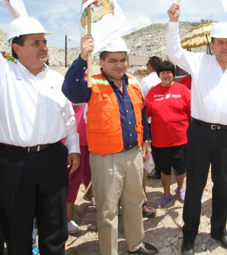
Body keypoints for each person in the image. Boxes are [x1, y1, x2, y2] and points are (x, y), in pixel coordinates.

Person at [0, 0, 80, 255]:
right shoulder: (2, 73)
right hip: (14, 165)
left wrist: (73, 148)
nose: (44, 47)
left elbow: (68, 117)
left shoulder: (56, 79)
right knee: (17, 234)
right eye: (35, 43)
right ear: (16, 48)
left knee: (54, 230)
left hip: (53, 160)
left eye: (44, 42)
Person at [166, 3, 227, 255]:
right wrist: (174, 21)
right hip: (199, 134)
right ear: (212, 43)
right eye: (220, 42)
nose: (225, 47)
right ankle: (189, 236)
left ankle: (219, 230)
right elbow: (173, 51)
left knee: (222, 185)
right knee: (195, 186)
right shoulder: (198, 62)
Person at [62, 34, 158, 255]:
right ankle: (109, 251)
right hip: (106, 158)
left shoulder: (133, 82)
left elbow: (141, 111)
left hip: (133, 154)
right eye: (112, 60)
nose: (118, 65)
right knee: (107, 210)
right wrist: (80, 58)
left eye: (122, 60)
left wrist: (146, 139)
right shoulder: (91, 83)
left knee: (135, 202)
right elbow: (69, 90)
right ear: (102, 62)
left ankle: (135, 243)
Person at [144, 60, 190, 208]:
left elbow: (191, 112)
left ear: (173, 74)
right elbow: (145, 114)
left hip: (181, 138)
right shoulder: (152, 92)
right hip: (160, 141)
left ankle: (181, 188)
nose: (166, 75)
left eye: (169, 72)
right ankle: (166, 193)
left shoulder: (182, 90)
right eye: (163, 72)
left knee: (181, 168)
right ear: (159, 75)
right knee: (164, 170)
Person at [66, 103, 94, 234]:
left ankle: (90, 194)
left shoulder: (95, 82)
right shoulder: (69, 85)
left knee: (91, 173)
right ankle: (66, 219)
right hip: (76, 141)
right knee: (73, 180)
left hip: (94, 139)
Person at [138, 56, 160, 216]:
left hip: (150, 120)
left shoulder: (145, 81)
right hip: (161, 120)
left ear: (150, 66)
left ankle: (157, 169)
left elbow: (141, 102)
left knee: (153, 147)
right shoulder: (163, 79)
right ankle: (159, 169)